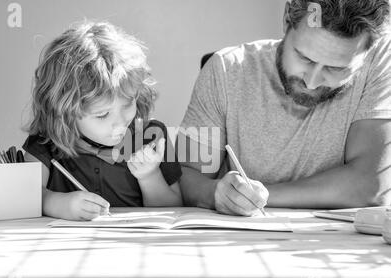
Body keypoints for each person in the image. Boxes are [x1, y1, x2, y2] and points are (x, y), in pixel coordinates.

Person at [179, 0, 391, 216]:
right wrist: (217, 193)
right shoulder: (224, 69)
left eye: (336, 68)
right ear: (287, 18)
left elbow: (371, 186)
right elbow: (186, 175)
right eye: (304, 58)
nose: (312, 82)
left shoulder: (380, 62)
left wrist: (261, 197)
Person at [23, 21, 182, 221]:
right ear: (64, 112)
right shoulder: (46, 140)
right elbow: (25, 197)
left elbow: (175, 211)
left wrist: (150, 177)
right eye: (102, 115)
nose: (120, 123)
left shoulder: (150, 137)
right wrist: (61, 205)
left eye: (128, 104)